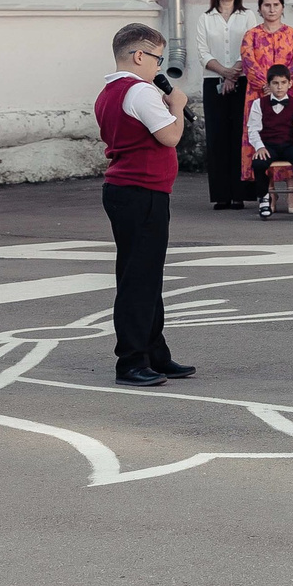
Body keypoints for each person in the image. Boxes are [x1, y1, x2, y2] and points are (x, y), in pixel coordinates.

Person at [94, 21, 195, 381]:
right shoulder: (141, 92)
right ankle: (132, 360)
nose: (159, 66)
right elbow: (169, 137)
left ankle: (154, 352)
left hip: (128, 191)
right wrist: (178, 106)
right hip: (142, 192)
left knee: (144, 276)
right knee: (139, 279)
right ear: (139, 55)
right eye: (157, 58)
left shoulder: (110, 92)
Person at [236, 0, 293, 201]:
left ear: (283, 7)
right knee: (261, 134)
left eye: (276, 5)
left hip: (287, 91)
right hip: (258, 94)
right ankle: (268, 194)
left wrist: (281, 85)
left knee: (288, 134)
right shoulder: (251, 35)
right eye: (267, 5)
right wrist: (266, 85)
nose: (272, 9)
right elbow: (248, 62)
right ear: (260, 9)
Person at [196, 0, 254, 210]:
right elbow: (202, 51)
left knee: (238, 136)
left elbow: (250, 46)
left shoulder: (247, 15)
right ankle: (221, 194)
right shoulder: (206, 18)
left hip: (241, 81)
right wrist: (224, 72)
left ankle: (239, 193)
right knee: (218, 137)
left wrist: (234, 73)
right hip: (214, 82)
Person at [247, 64, 293, 221]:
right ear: (269, 85)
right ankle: (264, 199)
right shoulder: (259, 104)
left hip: (287, 145)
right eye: (275, 83)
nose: (279, 87)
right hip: (268, 145)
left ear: (289, 84)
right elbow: (252, 129)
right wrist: (260, 147)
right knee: (258, 162)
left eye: (283, 83)